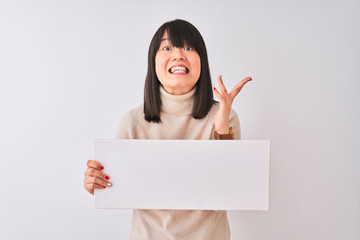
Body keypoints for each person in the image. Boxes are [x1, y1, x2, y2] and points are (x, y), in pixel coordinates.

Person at [84, 19, 252, 240]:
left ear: (203, 61)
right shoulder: (133, 122)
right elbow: (116, 188)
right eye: (167, 47)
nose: (179, 55)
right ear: (153, 62)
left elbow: (231, 185)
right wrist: (95, 182)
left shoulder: (224, 116)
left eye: (189, 47)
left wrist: (221, 126)